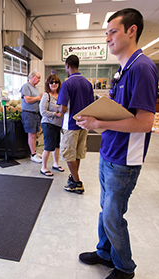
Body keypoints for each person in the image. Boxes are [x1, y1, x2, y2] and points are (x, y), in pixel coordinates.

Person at [76, 8, 159, 279]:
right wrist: (98, 117)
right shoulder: (123, 70)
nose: (108, 38)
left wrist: (100, 121)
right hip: (109, 153)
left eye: (113, 31)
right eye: (107, 33)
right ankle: (104, 252)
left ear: (132, 30)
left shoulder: (142, 68)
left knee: (113, 214)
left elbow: (145, 122)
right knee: (105, 210)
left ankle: (124, 266)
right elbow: (121, 113)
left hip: (125, 159)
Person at [57, 55, 94, 194]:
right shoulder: (87, 83)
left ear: (67, 65)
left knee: (68, 155)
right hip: (84, 125)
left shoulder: (67, 84)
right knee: (77, 154)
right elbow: (91, 106)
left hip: (71, 125)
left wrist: (57, 108)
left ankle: (77, 183)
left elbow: (63, 109)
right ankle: (73, 179)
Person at [39, 74, 64, 176]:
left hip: (58, 125)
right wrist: (55, 114)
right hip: (48, 124)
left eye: (56, 82)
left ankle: (55, 164)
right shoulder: (46, 96)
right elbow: (43, 112)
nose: (54, 84)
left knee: (57, 145)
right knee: (48, 146)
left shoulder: (61, 95)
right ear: (48, 84)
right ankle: (43, 167)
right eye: (51, 82)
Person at [20, 70, 43, 163]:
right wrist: (39, 97)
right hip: (28, 113)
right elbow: (28, 100)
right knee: (31, 134)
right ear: (33, 76)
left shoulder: (35, 88)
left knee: (35, 134)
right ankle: (32, 154)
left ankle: (34, 152)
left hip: (36, 113)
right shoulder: (26, 86)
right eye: (38, 78)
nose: (39, 80)